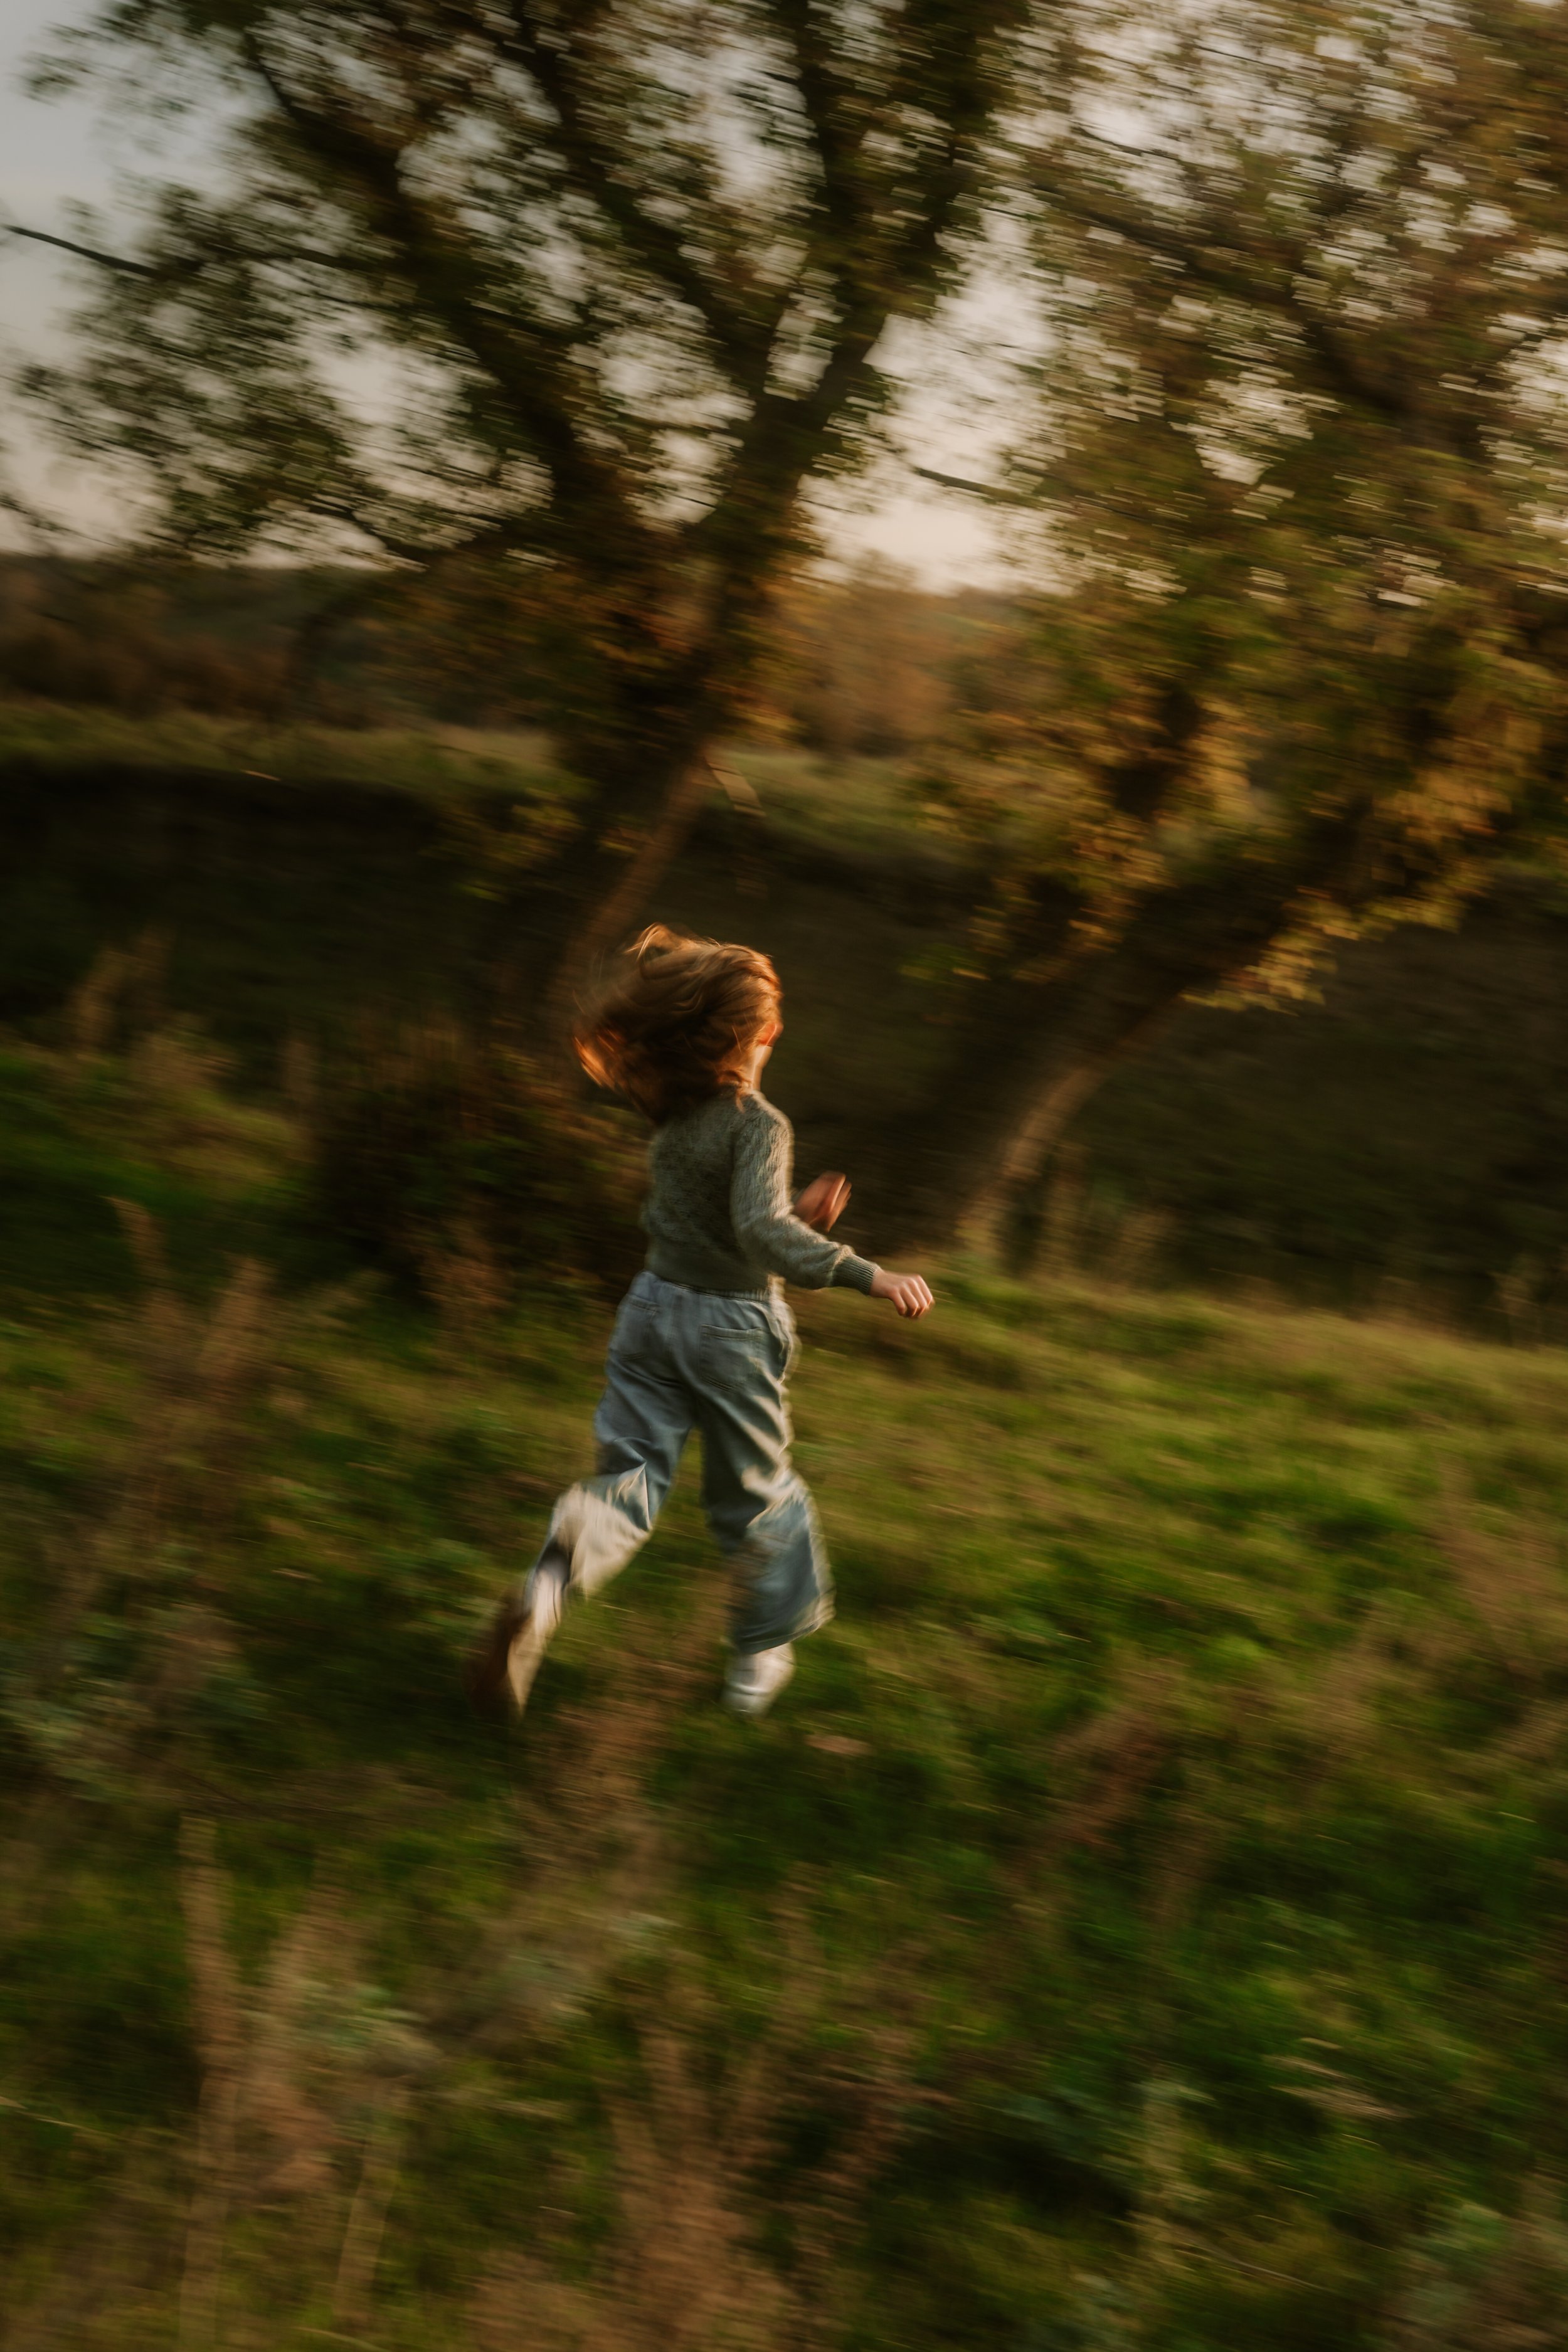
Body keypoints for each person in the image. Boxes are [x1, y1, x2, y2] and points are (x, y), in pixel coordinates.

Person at [467, 924, 933, 1722]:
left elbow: (720, 1223)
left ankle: (547, 1589)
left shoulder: (678, 1120)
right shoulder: (759, 1123)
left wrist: (793, 1217)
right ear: (761, 1034)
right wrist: (865, 1270)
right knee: (754, 1493)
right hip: (728, 1329)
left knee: (630, 1475)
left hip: (651, 1309)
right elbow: (754, 1236)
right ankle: (758, 1662)